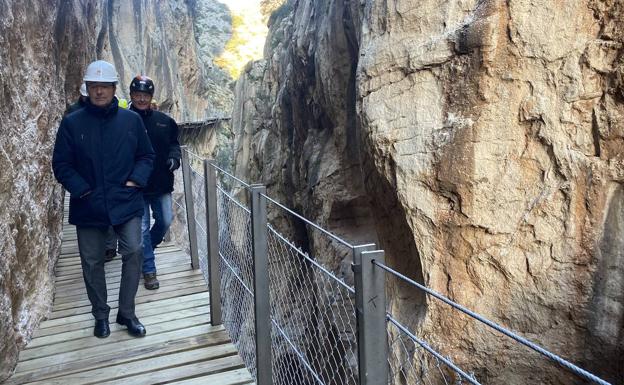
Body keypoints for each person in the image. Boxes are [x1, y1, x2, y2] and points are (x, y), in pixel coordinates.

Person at [52, 60, 155, 339]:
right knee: (92, 260)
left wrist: (136, 180)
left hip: (126, 200)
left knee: (133, 250)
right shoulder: (72, 123)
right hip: (89, 203)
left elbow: (146, 155)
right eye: (94, 86)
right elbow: (61, 164)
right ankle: (101, 314)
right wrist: (82, 189)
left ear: (113, 88)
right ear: (87, 89)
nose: (99, 92)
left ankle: (127, 312)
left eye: (104, 87)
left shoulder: (131, 121)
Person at [129, 75, 181, 290]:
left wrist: (174, 158)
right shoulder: (123, 120)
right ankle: (149, 270)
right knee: (141, 229)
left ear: (151, 97)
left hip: (161, 182)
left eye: (145, 95)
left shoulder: (164, 121)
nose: (141, 99)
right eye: (137, 95)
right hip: (136, 185)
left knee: (165, 221)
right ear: (131, 95)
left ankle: (143, 250)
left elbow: (174, 144)